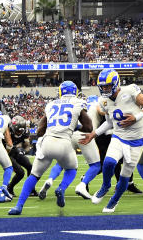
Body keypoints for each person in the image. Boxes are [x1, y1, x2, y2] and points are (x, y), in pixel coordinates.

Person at [8, 81, 92, 215]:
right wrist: (75, 126)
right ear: (75, 92)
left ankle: (18, 207)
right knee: (71, 169)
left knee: (34, 176)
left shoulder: (51, 104)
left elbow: (40, 131)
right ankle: (61, 188)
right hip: (64, 143)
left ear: (60, 92)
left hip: (47, 142)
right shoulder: (78, 103)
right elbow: (89, 128)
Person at [81, 69, 143, 213]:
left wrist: (136, 117)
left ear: (116, 83)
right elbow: (109, 123)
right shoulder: (103, 101)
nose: (105, 89)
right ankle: (105, 186)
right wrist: (93, 134)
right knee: (109, 162)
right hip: (119, 136)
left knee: (124, 178)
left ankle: (113, 201)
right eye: (103, 86)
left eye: (108, 86)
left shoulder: (129, 91)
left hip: (136, 141)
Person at [40, 94, 102, 201]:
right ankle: (82, 185)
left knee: (60, 163)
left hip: (70, 134)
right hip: (85, 134)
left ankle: (50, 179)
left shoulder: (73, 104)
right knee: (95, 165)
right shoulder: (94, 105)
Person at [7, 116, 36, 197]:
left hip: (14, 149)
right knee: (20, 172)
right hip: (5, 152)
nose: (19, 133)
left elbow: (27, 145)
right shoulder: (6, 130)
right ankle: (9, 187)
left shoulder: (25, 131)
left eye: (21, 131)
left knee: (30, 167)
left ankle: (31, 189)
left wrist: (22, 150)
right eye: (17, 131)